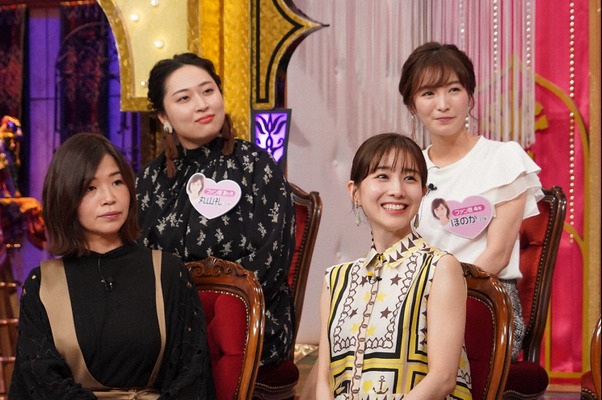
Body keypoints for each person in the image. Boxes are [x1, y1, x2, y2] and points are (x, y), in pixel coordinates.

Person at [9, 133, 215, 399]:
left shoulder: (168, 272)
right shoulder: (43, 285)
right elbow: (40, 381)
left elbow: (192, 375)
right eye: (90, 188)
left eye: (117, 182)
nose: (109, 198)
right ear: (65, 197)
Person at [137, 53, 296, 367]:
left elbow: (272, 258)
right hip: (170, 324)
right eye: (184, 98)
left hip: (248, 322)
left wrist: (210, 311)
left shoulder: (256, 165)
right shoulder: (150, 180)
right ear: (163, 116)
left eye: (208, 91)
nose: (202, 104)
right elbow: (140, 262)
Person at [398, 42, 543, 361]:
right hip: (420, 303)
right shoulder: (409, 169)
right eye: (428, 93)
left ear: (470, 97)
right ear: (412, 105)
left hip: (487, 304)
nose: (443, 104)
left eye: (454, 89)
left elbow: (498, 255)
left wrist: (438, 298)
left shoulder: (503, 158)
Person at [316, 133, 472, 400]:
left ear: (423, 192)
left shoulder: (440, 268)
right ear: (355, 192)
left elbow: (443, 379)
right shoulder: (336, 279)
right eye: (382, 176)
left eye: (410, 178)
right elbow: (324, 380)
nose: (397, 190)